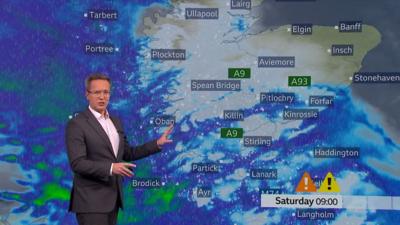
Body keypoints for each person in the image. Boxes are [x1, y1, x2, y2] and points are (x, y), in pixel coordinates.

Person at [65, 73, 173, 225]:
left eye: (106, 92)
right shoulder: (77, 124)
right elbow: (78, 163)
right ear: (87, 95)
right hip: (90, 202)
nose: (102, 97)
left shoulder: (115, 122)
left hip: (113, 199)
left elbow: (127, 153)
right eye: (97, 92)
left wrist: (156, 144)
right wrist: (111, 168)